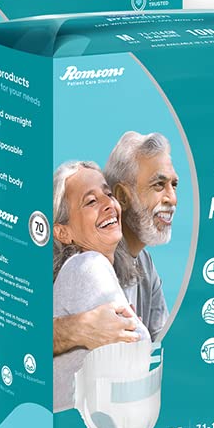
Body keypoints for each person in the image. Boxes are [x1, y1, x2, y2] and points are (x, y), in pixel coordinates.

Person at [51, 161, 149, 411]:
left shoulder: (80, 273)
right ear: (63, 233)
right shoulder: (86, 266)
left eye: (108, 194)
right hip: (85, 423)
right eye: (91, 201)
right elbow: (137, 350)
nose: (108, 204)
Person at [104, 131, 178, 343]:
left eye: (174, 185)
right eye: (158, 185)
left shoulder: (145, 263)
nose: (172, 199)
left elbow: (163, 340)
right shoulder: (94, 260)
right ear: (122, 196)